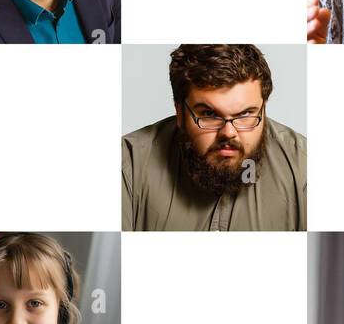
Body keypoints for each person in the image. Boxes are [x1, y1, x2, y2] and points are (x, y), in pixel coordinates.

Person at [122, 44, 306, 231]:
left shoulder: (303, 165)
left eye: (245, 115)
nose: (228, 132)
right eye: (209, 114)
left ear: (263, 108)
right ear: (179, 111)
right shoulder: (129, 164)